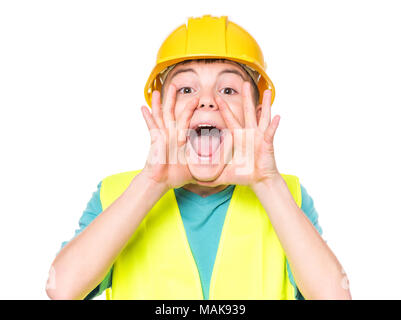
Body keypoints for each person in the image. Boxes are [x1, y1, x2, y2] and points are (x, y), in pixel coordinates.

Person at [46, 15, 351, 300]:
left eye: (229, 89)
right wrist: (152, 182)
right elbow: (61, 288)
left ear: (256, 117)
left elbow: (335, 295)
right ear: (160, 111)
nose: (206, 101)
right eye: (187, 88)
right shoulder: (114, 195)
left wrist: (266, 184)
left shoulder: (287, 196)